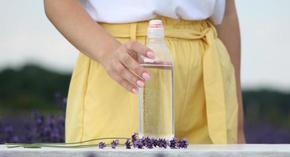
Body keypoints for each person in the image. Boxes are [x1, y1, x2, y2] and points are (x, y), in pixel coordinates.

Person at [44, 0, 246, 145]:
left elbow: (226, 14)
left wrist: (237, 124)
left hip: (205, 76)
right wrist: (107, 51)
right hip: (126, 66)